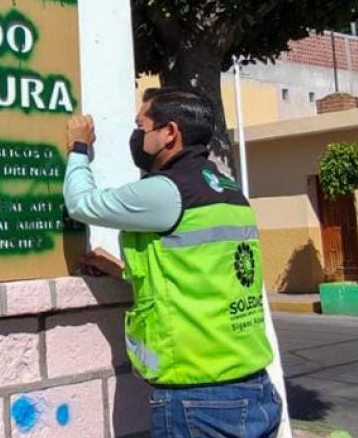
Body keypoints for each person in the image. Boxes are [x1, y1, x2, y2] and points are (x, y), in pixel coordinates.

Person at [64, 88, 280, 438]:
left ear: (169, 133)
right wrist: (120, 270)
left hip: (200, 398)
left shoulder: (169, 190)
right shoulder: (227, 189)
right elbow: (202, 278)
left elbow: (82, 204)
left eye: (141, 126)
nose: (137, 137)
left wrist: (79, 149)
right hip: (254, 389)